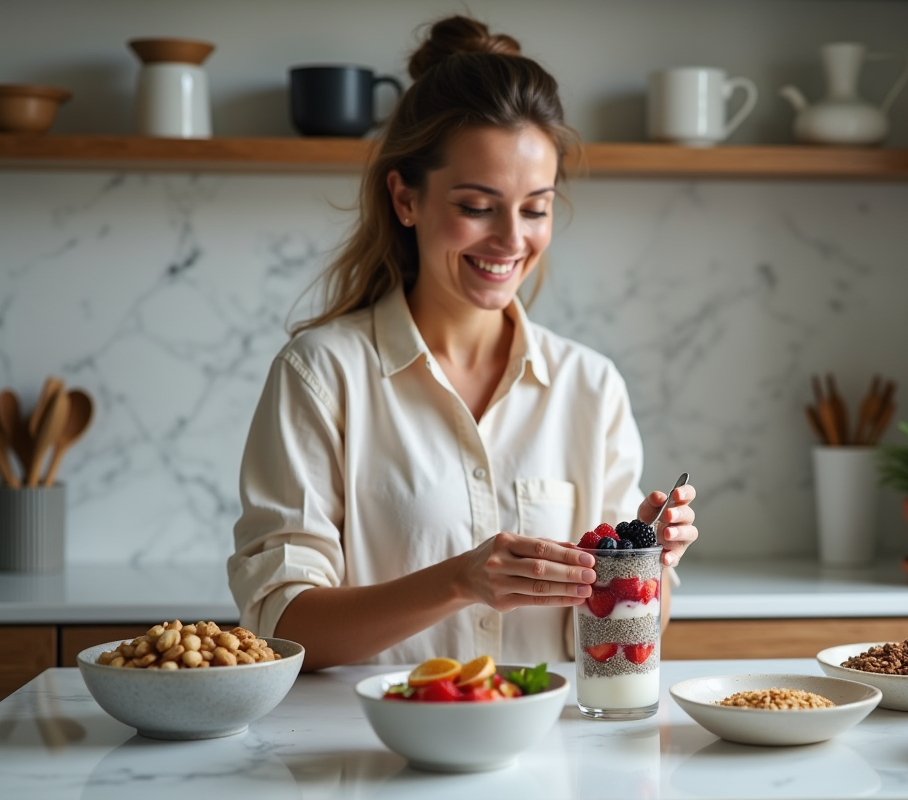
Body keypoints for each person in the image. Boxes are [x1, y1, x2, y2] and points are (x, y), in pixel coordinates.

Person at [227, 15, 698, 672]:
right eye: (477, 206)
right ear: (405, 198)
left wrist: (646, 567)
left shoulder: (590, 386)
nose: (511, 239)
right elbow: (283, 626)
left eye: (535, 207)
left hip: (552, 762)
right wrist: (460, 580)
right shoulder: (321, 374)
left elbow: (626, 642)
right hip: (373, 756)